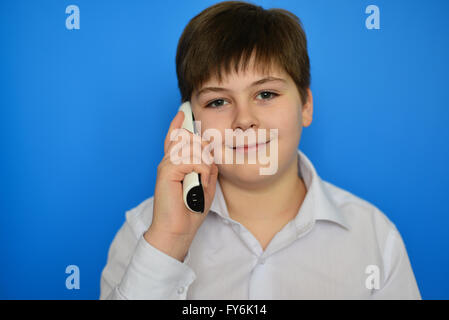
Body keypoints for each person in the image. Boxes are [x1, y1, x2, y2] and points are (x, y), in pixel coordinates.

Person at [100, 1, 421, 299]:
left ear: (306, 105)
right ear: (190, 120)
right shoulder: (145, 230)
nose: (244, 120)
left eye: (266, 94)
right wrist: (169, 242)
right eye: (218, 101)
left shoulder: (375, 237)